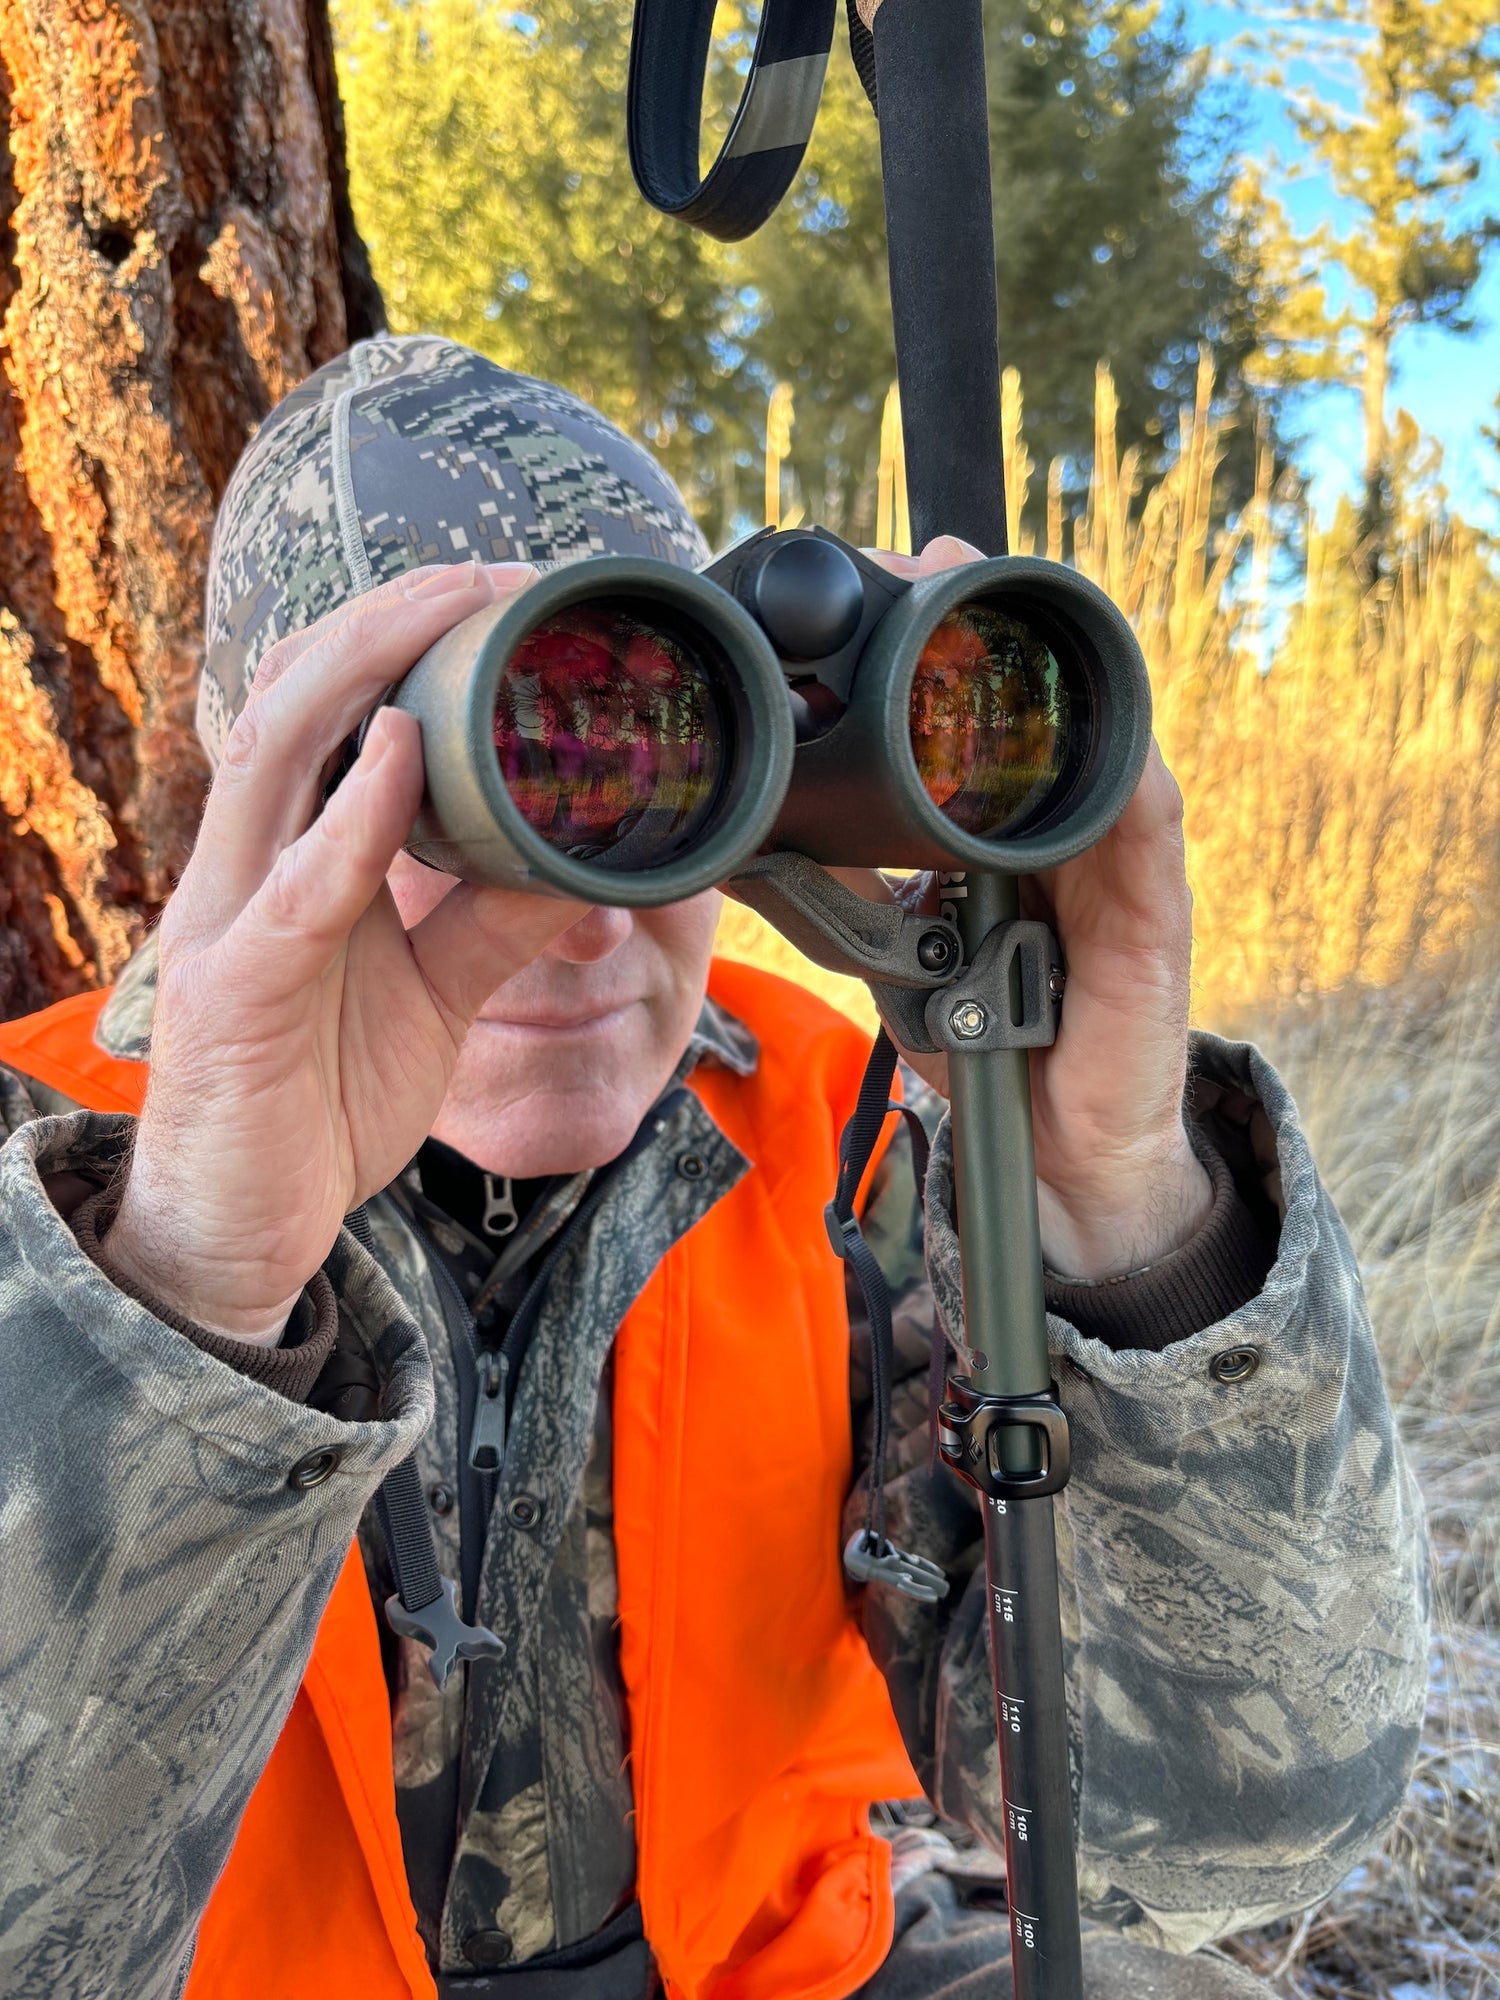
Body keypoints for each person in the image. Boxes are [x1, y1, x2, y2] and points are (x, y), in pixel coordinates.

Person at [0, 336, 1428, 2000]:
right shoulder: (47, 1173)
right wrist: (186, 1286)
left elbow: (1212, 1843)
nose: (584, 914)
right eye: (504, 773)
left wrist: (1126, 1215)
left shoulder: (844, 1128)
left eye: (658, 753)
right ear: (282, 797)